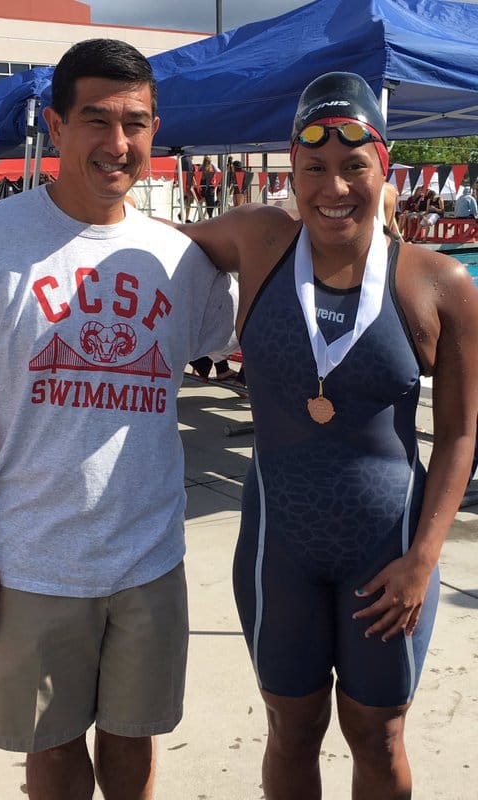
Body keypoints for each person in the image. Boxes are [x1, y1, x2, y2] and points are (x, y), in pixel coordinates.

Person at [0, 38, 236, 800]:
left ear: (155, 130)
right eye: (96, 120)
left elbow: (264, 341)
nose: (117, 143)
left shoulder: (178, 258)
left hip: (149, 557)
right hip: (31, 561)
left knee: (134, 744)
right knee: (53, 755)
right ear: (56, 128)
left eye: (136, 122)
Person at [176, 72, 478, 799]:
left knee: (378, 737)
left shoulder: (437, 284)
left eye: (354, 167)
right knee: (292, 729)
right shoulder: (258, 240)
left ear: (384, 168)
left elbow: (463, 436)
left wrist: (423, 559)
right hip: (279, 548)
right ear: (292, 170)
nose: (333, 188)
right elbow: (138, 246)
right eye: (314, 169)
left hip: (388, 555)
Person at [177, 153, 195, 222]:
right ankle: (186, 218)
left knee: (185, 200)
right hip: (188, 184)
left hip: (182, 183)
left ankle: (181, 212)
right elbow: (190, 173)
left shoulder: (180, 159)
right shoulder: (188, 161)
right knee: (188, 201)